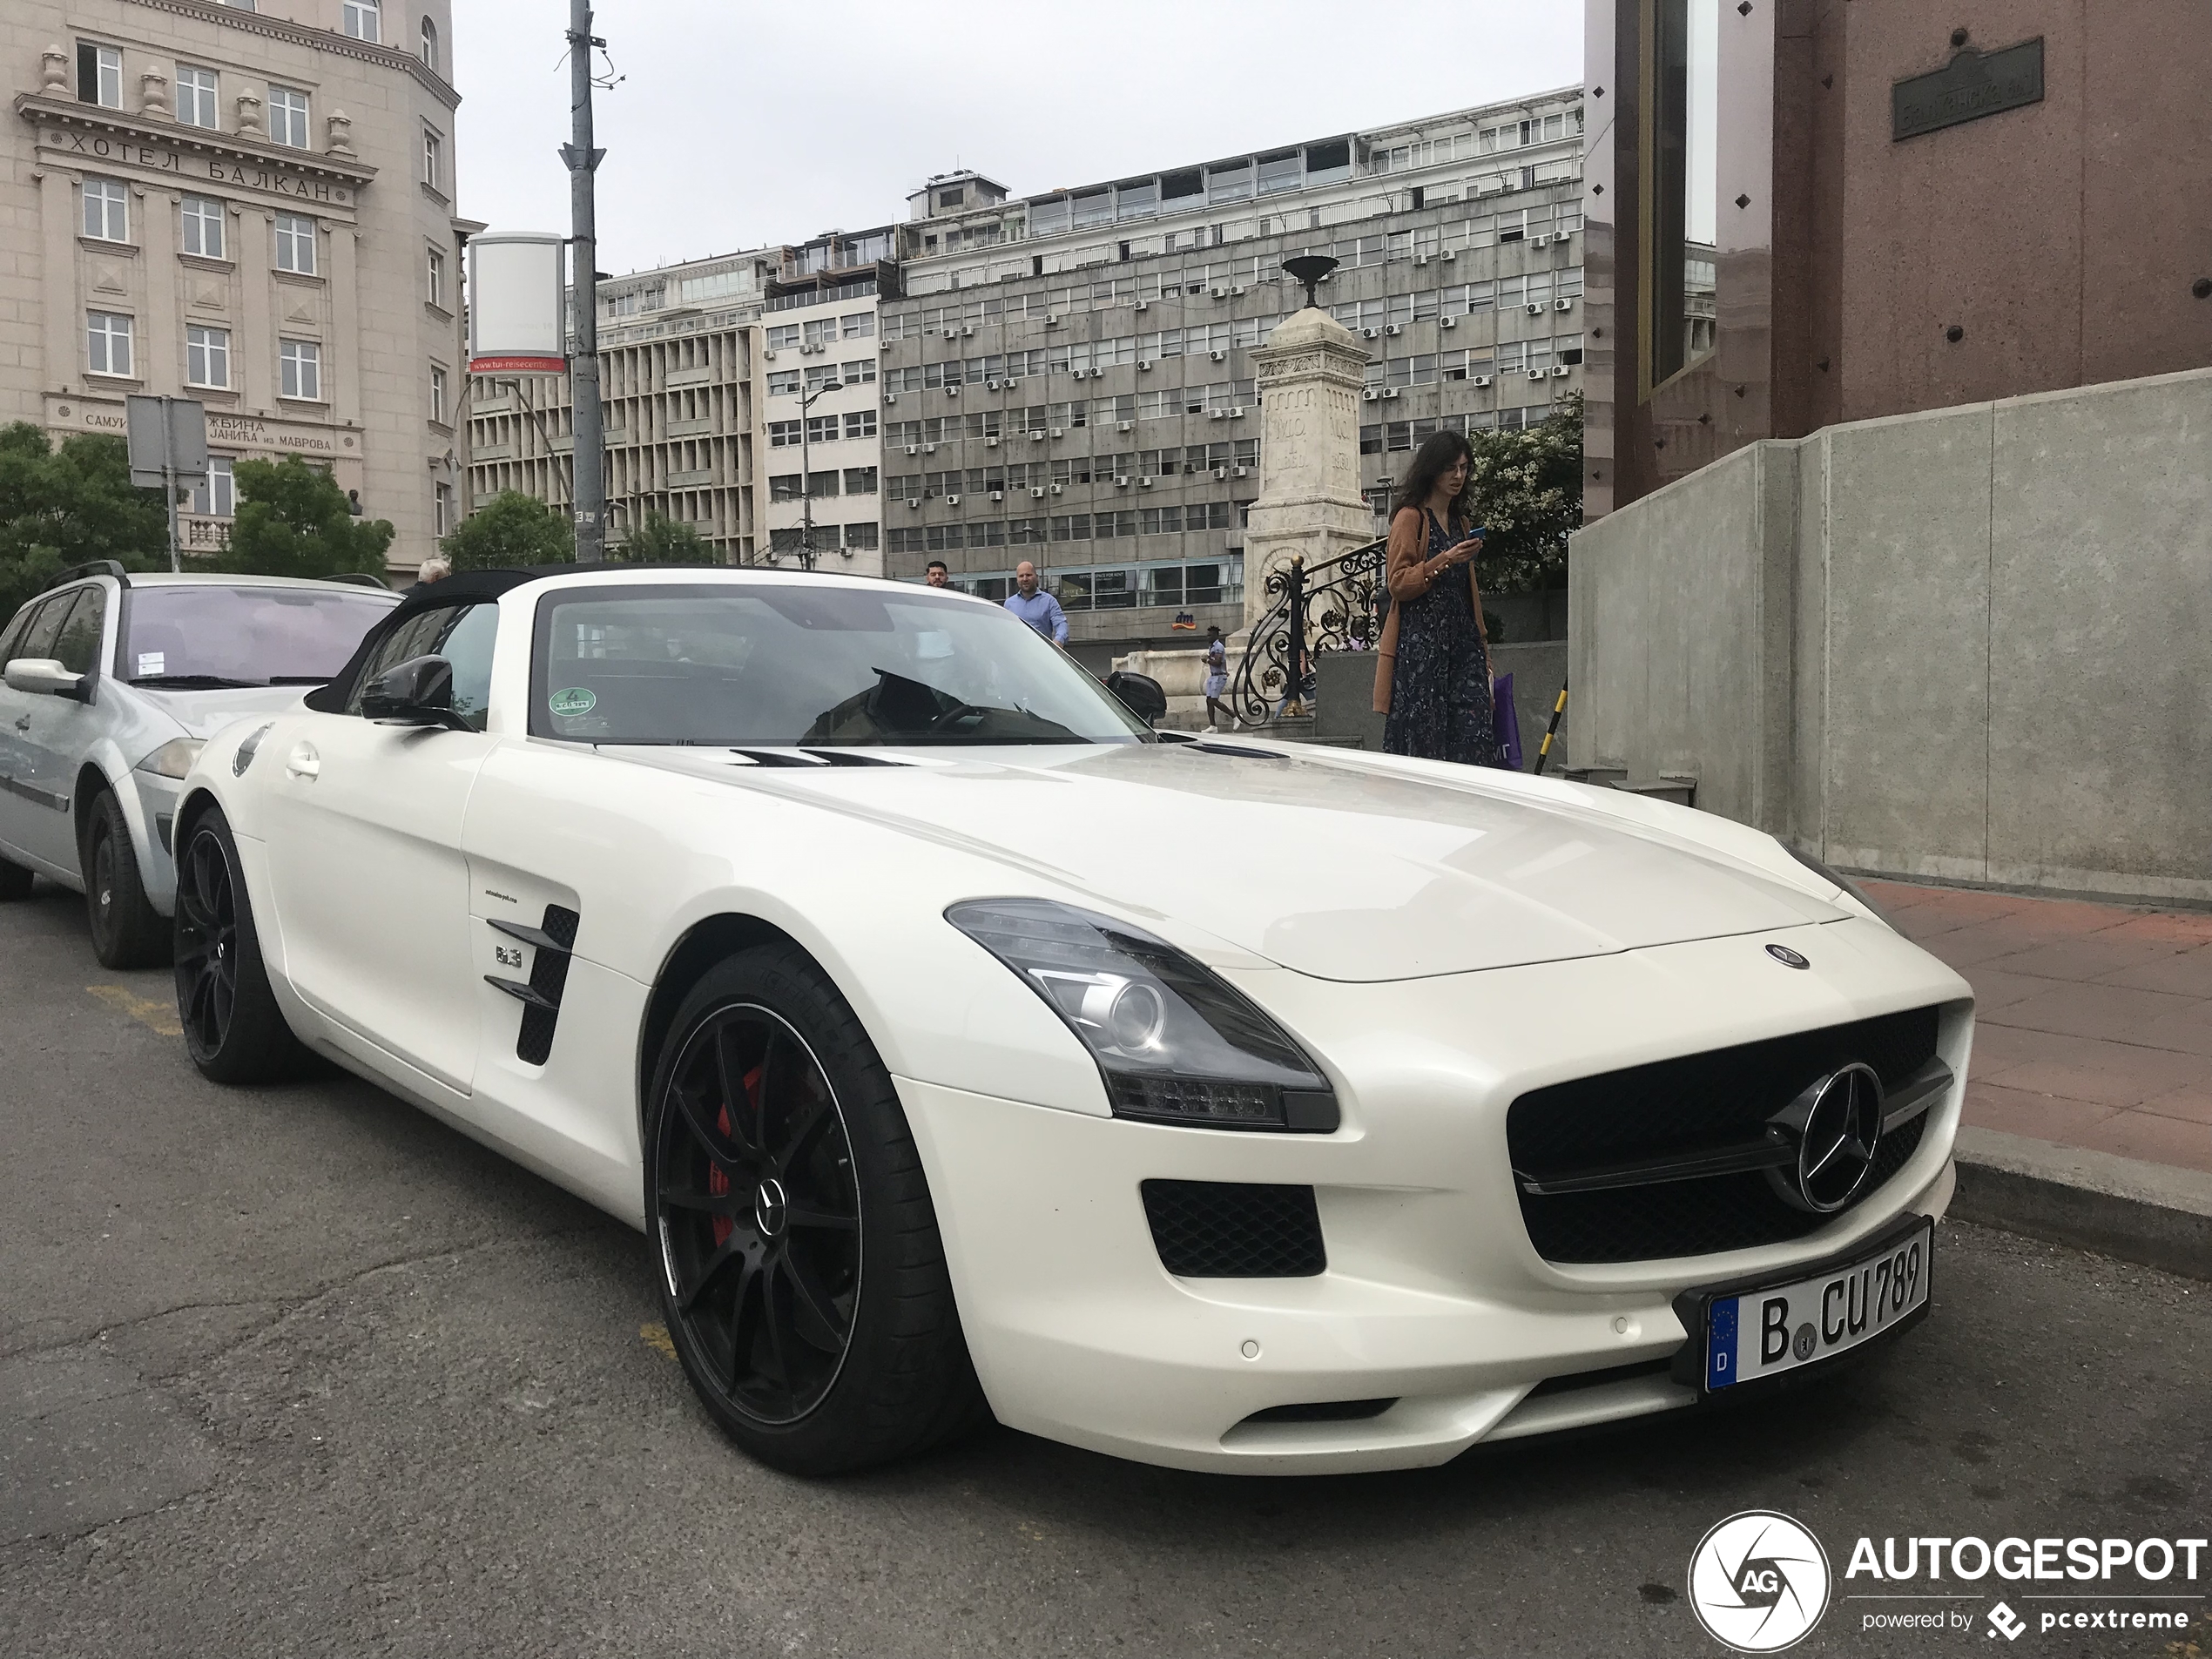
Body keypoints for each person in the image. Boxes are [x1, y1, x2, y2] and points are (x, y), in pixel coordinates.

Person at [1374, 430, 1498, 766]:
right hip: (1422, 648)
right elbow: (1397, 583)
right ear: (1432, 469)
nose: (1458, 476)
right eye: (1450, 468)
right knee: (1425, 746)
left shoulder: (1461, 522)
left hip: (1463, 645)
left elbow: (1467, 592)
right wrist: (1445, 559)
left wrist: (1483, 649)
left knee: (1475, 740)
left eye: (1464, 468)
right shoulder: (1410, 517)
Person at [1003, 560, 1068, 645]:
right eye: (1021, 576)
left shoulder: (1049, 601)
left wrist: (1058, 641)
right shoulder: (1009, 604)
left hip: (1041, 653)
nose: (1025, 579)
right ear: (1017, 580)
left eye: (1029, 575)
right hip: (1018, 654)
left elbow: (1061, 624)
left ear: (1037, 578)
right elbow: (1004, 631)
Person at [1202, 625, 1233, 731]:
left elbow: (1218, 661)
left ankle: (1235, 716)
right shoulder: (1212, 646)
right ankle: (1212, 725)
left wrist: (1207, 661)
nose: (1207, 638)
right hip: (1213, 676)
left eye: (1210, 635)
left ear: (1215, 635)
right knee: (1209, 700)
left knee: (1213, 701)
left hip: (1219, 677)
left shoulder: (1219, 646)